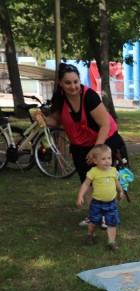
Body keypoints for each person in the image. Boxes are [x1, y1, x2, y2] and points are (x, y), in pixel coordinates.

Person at [40, 63, 130, 226]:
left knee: (103, 178)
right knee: (87, 179)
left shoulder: (89, 97)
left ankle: (107, 215)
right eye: (68, 83)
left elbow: (105, 124)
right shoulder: (60, 99)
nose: (73, 86)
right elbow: (56, 121)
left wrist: (96, 150)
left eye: (76, 81)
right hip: (79, 144)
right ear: (60, 83)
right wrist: (46, 120)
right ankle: (94, 215)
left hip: (103, 140)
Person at [76, 144, 124, 251]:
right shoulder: (93, 172)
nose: (107, 161)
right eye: (103, 159)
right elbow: (85, 184)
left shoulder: (113, 171)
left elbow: (116, 182)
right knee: (93, 221)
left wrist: (120, 191)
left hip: (111, 203)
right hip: (97, 203)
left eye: (109, 158)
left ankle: (111, 242)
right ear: (95, 161)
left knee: (112, 222)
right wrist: (80, 196)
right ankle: (90, 235)